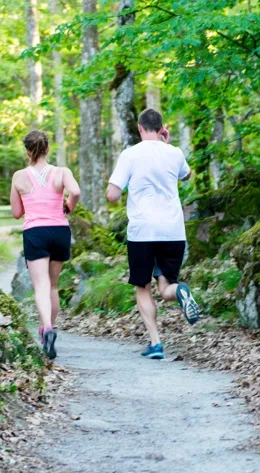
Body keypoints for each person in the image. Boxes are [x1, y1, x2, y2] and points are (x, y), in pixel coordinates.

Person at [107, 108, 200, 360]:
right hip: (172, 231)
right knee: (166, 286)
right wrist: (166, 145)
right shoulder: (175, 153)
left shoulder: (130, 155)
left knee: (143, 287)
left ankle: (156, 344)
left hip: (142, 232)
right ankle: (181, 292)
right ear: (161, 129)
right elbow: (187, 174)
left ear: (139, 128)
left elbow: (112, 195)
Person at [10, 130, 81, 360]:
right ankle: (49, 328)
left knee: (40, 286)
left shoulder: (19, 176)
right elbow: (76, 191)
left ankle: (47, 329)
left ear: (27, 151)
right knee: (52, 286)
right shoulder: (62, 172)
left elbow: (16, 212)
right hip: (60, 230)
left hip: (35, 232)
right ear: (47, 149)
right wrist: (68, 206)